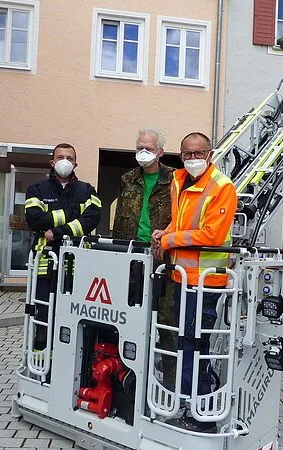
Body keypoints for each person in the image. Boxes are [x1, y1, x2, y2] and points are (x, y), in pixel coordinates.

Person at [151, 132, 237, 432]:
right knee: (186, 343)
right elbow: (182, 222)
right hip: (182, 277)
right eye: (187, 154)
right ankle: (190, 405)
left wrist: (170, 241)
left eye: (198, 153)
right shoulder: (179, 182)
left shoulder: (222, 187)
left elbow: (212, 235)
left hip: (206, 282)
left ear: (210, 154)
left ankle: (201, 415)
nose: (192, 159)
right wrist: (165, 232)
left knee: (195, 344)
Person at [112, 128, 176, 387]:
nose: (143, 153)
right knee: (128, 320)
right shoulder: (128, 178)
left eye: (148, 148)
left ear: (160, 151)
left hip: (164, 260)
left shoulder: (175, 179)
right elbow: (119, 218)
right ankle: (128, 380)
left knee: (167, 322)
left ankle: (171, 387)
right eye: (139, 148)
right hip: (132, 258)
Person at [25, 143, 102, 352]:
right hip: (45, 267)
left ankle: (68, 363)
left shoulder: (86, 190)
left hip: (76, 268)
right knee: (42, 316)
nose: (65, 161)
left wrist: (57, 230)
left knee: (73, 317)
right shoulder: (37, 189)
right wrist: (71, 216)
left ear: (75, 163)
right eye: (60, 157)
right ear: (53, 162)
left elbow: (92, 219)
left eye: (69, 157)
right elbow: (34, 220)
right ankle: (42, 366)